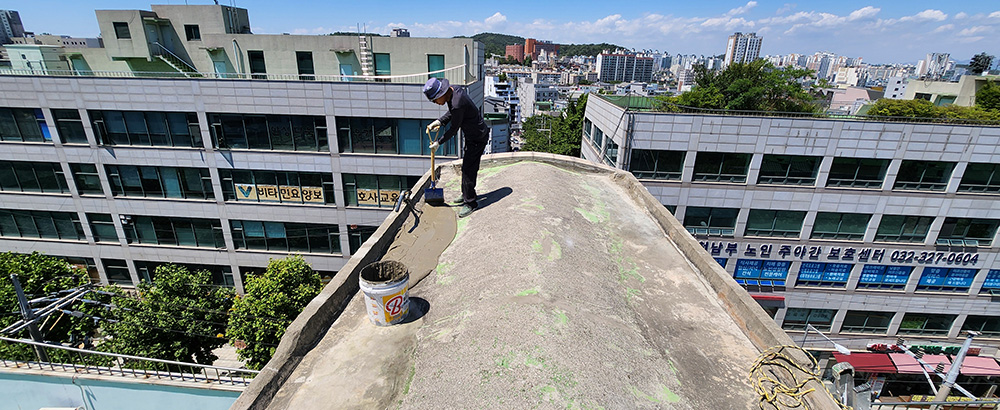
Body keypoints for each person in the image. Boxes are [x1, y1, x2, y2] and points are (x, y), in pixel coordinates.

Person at [422, 77, 490, 218]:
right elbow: (453, 113)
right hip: (474, 135)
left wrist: (438, 143)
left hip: (477, 137)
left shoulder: (457, 102)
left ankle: (471, 203)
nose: (436, 103)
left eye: (435, 100)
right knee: (469, 167)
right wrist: (440, 121)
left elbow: (453, 129)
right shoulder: (454, 90)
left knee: (468, 169)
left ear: (441, 94)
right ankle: (467, 192)